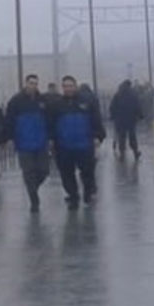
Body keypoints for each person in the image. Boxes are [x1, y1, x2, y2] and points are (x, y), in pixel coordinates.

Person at [50, 75, 106, 210]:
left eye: (70, 86)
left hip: (84, 145)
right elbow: (50, 124)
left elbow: (96, 120)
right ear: (62, 88)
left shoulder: (87, 102)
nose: (68, 89)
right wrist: (51, 140)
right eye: (65, 86)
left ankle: (88, 193)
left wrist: (98, 136)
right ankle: (73, 196)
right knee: (66, 174)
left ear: (75, 86)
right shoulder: (57, 105)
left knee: (87, 172)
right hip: (64, 146)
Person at [5, 74, 51, 213]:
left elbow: (49, 120)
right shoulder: (16, 101)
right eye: (31, 83)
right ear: (26, 84)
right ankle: (34, 199)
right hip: (24, 143)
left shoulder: (43, 101)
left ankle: (33, 188)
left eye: (35, 83)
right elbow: (9, 121)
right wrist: (9, 139)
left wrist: (50, 138)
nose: (33, 86)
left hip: (41, 142)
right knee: (28, 171)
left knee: (44, 171)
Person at [109, 79, 144, 160]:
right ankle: (135, 152)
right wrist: (140, 115)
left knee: (122, 137)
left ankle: (122, 154)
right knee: (132, 136)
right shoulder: (133, 94)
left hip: (120, 120)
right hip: (131, 119)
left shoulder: (117, 94)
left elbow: (112, 106)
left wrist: (112, 116)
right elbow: (137, 105)